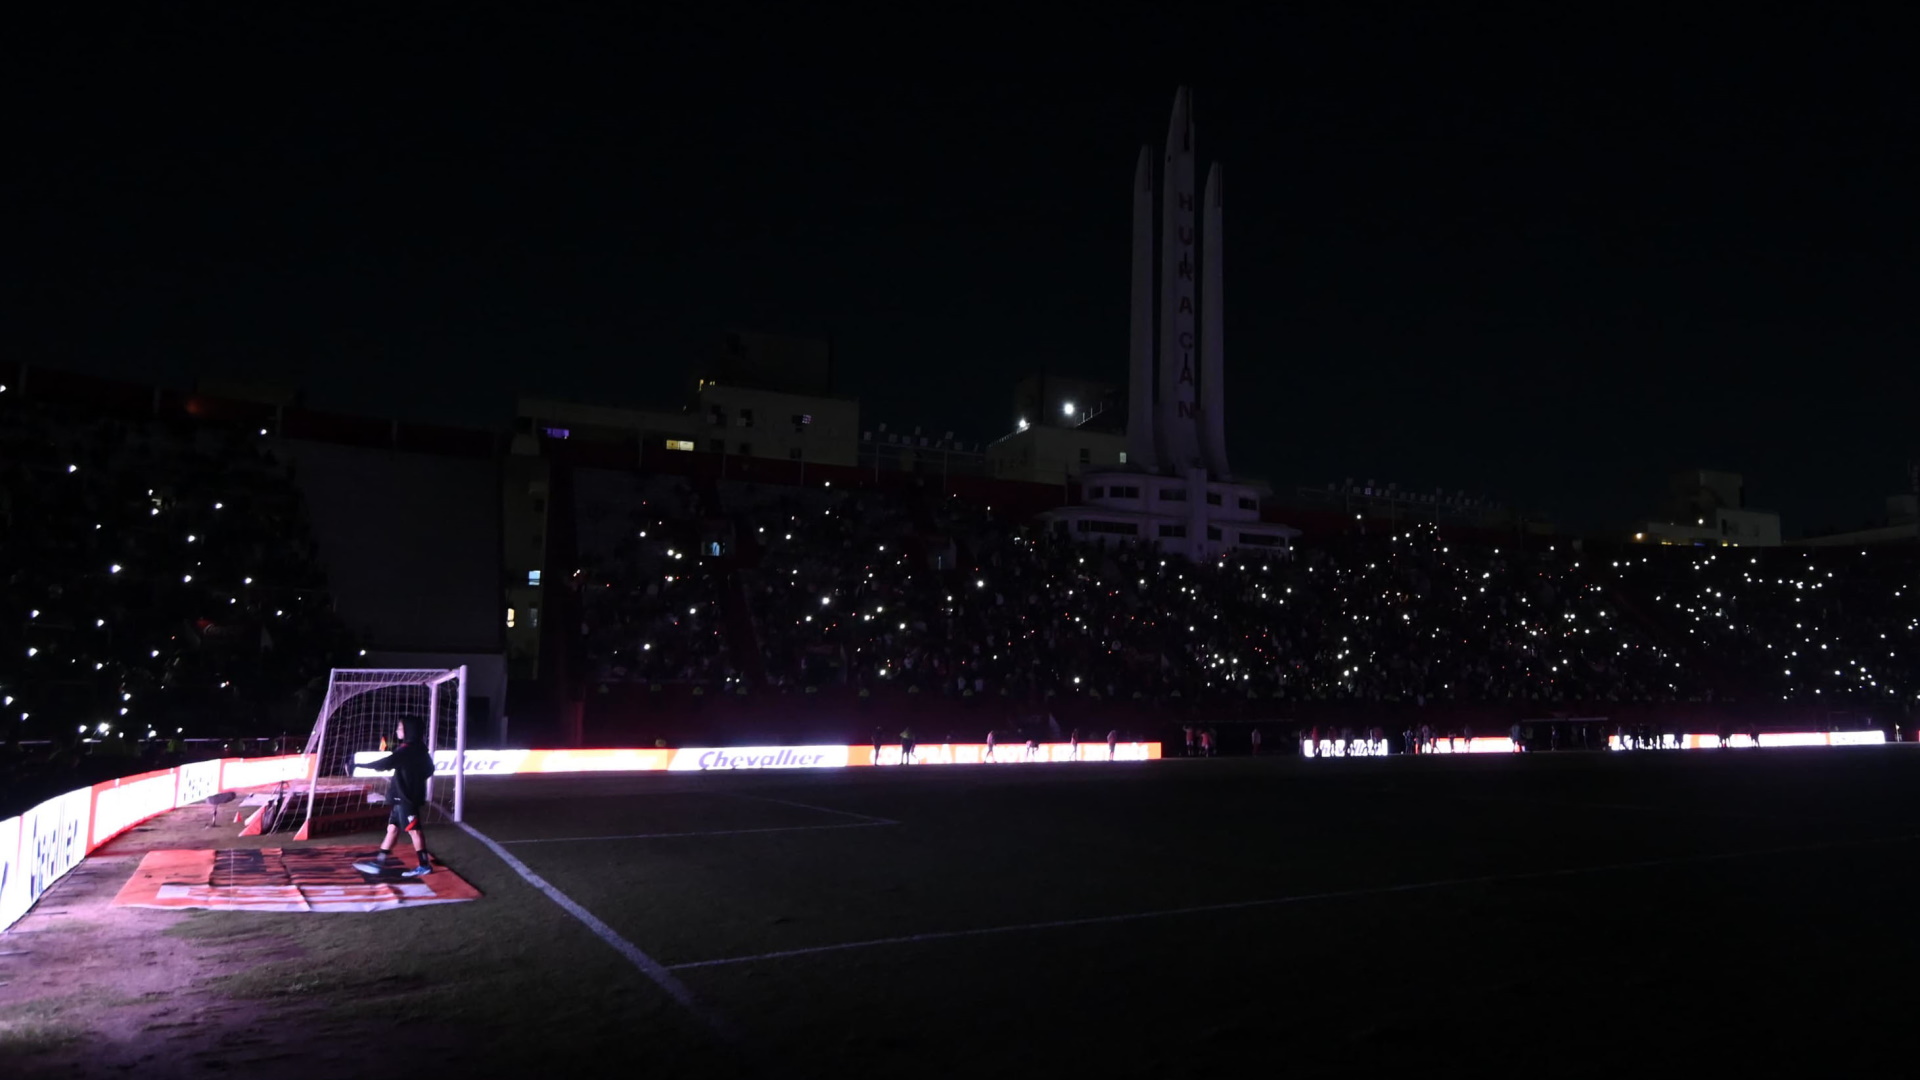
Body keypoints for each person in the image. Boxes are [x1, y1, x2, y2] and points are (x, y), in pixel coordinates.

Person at [352, 720, 436, 877]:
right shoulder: (419, 749)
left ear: (408, 731)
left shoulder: (407, 750)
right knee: (392, 829)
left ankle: (424, 865)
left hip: (406, 798)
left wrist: (359, 766)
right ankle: (379, 863)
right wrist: (414, 779)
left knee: (414, 831)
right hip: (401, 797)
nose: (397, 731)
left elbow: (385, 763)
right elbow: (430, 769)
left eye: (400, 728)